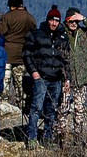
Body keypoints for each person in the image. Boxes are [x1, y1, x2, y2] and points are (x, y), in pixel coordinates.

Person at [21, 9, 68, 145]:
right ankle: (32, 139)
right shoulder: (37, 34)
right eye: (51, 20)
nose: (54, 23)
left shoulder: (62, 37)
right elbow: (26, 54)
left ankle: (47, 140)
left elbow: (67, 59)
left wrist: (67, 78)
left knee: (52, 110)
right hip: (41, 78)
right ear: (47, 20)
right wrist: (33, 72)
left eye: (56, 21)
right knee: (36, 108)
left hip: (56, 79)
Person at [0, 0, 35, 100]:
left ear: (12, 6)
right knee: (20, 85)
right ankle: (22, 104)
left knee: (4, 83)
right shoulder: (29, 17)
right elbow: (34, 32)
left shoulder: (7, 16)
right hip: (22, 56)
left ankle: (3, 104)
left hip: (7, 55)